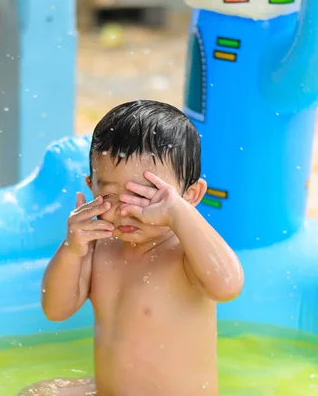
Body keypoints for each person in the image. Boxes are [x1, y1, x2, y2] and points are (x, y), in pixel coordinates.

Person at [21, 100, 244, 396]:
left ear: (190, 196)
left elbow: (228, 286)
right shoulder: (100, 245)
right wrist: (72, 248)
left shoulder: (186, 255)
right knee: (39, 393)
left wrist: (179, 214)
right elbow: (56, 309)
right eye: (111, 194)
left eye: (145, 196)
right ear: (92, 187)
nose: (127, 210)